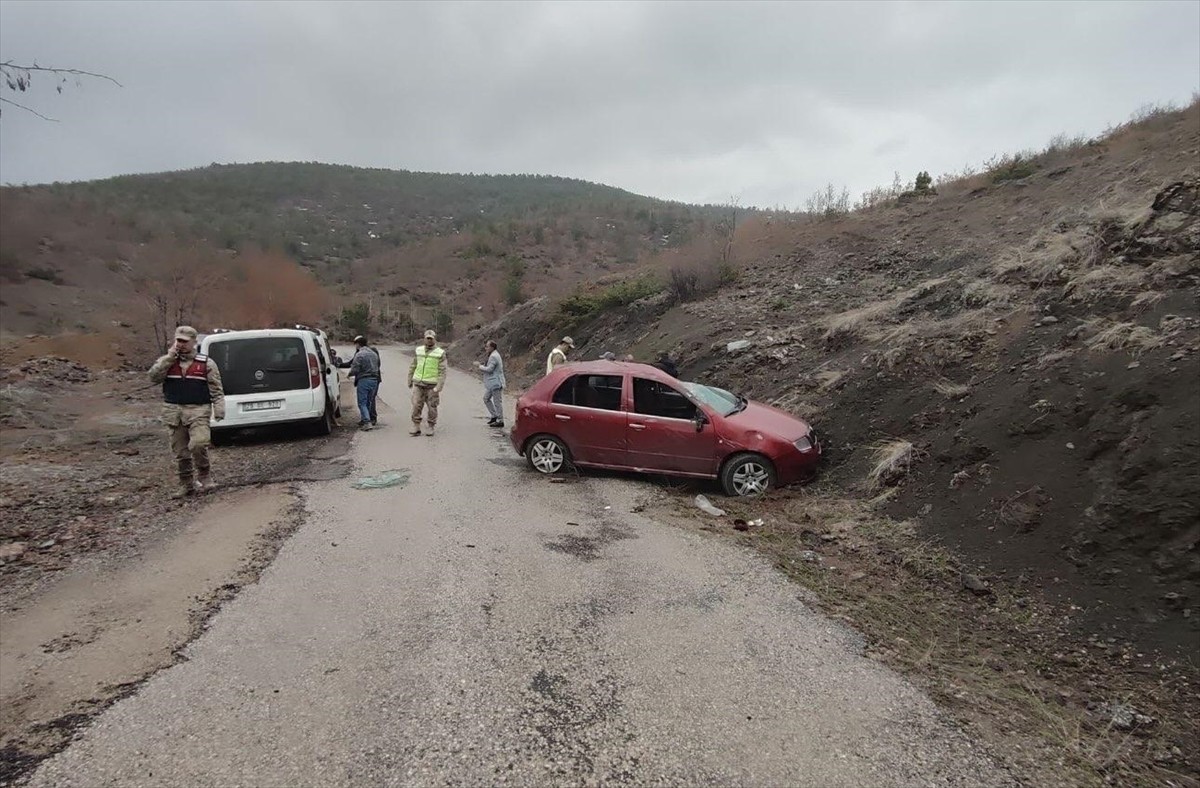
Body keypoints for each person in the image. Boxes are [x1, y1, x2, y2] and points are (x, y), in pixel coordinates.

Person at [147, 325, 225, 499]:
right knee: (180, 452)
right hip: (174, 411)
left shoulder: (206, 363)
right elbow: (153, 377)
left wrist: (219, 408)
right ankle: (186, 484)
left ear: (193, 342)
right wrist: (168, 358)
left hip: (198, 409)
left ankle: (205, 476)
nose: (180, 345)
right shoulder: (167, 362)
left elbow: (216, 389)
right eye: (178, 341)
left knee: (198, 444)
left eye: (184, 341)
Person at [407, 329, 447, 436]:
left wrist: (439, 386)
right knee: (416, 405)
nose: (429, 340)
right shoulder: (419, 350)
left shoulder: (440, 353)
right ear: (424, 339)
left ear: (434, 339)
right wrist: (410, 378)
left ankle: (431, 426)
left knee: (432, 406)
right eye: (427, 338)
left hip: (432, 385)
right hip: (419, 383)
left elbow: (443, 371)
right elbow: (413, 365)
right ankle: (416, 425)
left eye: (431, 339)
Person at [348, 336, 382, 429]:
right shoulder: (374, 353)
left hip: (364, 379)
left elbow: (355, 368)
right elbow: (378, 366)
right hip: (374, 380)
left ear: (358, 344)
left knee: (362, 402)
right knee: (369, 401)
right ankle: (368, 419)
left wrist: (349, 374)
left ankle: (367, 422)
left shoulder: (360, 354)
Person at [478, 340, 506, 428]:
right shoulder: (493, 355)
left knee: (497, 402)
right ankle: (494, 416)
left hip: (496, 382)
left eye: (487, 346)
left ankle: (500, 420)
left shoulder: (494, 356)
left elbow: (490, 369)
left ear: (492, 347)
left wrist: (480, 366)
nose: (485, 348)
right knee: (486, 398)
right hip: (492, 383)